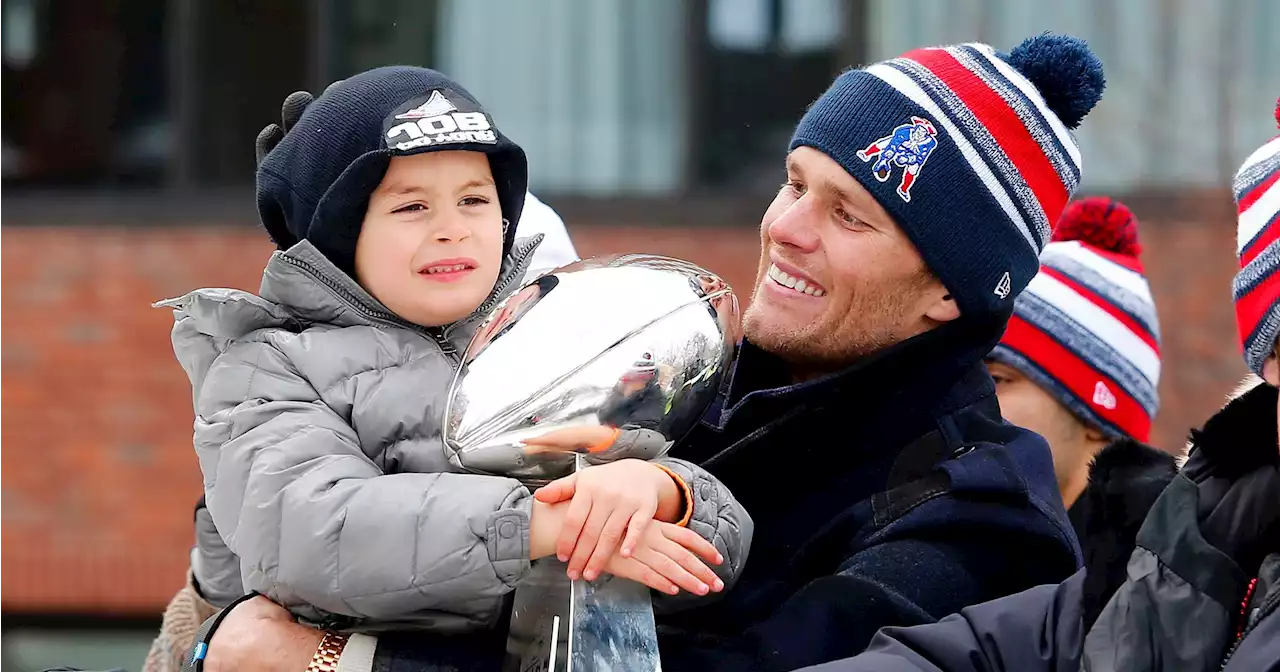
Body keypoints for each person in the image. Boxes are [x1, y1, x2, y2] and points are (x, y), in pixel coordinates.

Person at [190, 33, 1109, 672]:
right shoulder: (685, 375)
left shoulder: (982, 522)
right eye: (794, 182)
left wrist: (341, 660)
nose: (785, 230)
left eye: (849, 215)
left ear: (949, 287)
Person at [155, 66, 753, 669]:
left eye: (474, 200)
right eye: (412, 206)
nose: (452, 229)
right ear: (337, 232)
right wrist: (544, 526)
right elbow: (313, 531)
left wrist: (663, 492)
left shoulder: (545, 333)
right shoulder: (269, 363)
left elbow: (718, 550)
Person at [801, 95, 1280, 672]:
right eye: (793, 184)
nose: (971, 402)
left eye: (999, 378)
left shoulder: (995, 541)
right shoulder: (1158, 571)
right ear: (1272, 361)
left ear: (1099, 427)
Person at [984, 196, 1178, 627]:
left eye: (999, 380)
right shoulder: (977, 541)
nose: (974, 399)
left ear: (1094, 412)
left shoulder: (1166, 582)